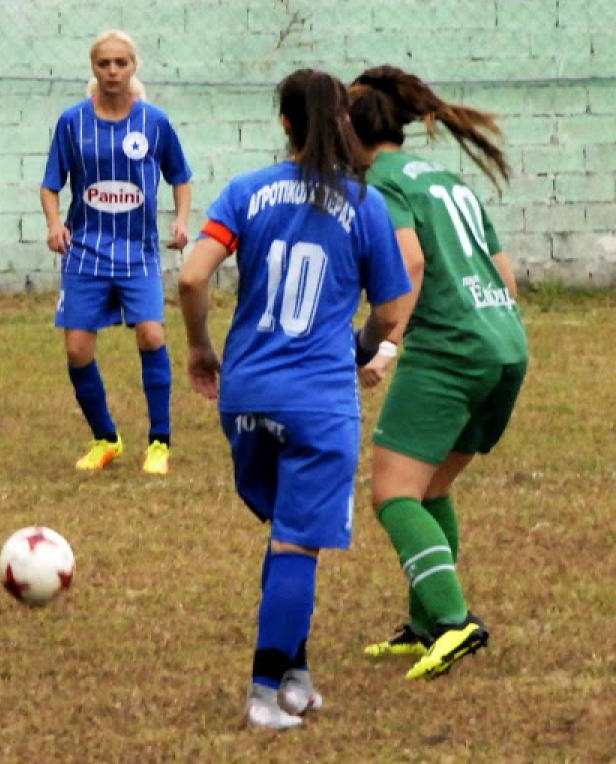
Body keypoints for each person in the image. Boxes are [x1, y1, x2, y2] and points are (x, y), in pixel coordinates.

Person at [179, 69, 411, 729]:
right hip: (317, 400)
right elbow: (392, 309)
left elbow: (193, 276)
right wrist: (363, 345)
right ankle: (262, 694)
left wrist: (199, 347)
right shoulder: (365, 204)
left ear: (284, 123)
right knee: (297, 544)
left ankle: (297, 675)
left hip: (247, 394)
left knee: (288, 534)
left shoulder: (246, 191)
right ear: (344, 122)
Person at [347, 65, 528, 680]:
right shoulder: (448, 179)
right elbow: (504, 274)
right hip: (503, 341)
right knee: (431, 488)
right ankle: (426, 625)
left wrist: (389, 344)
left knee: (393, 494)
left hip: (449, 348)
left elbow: (411, 261)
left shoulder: (380, 183)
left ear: (352, 131)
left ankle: (454, 623)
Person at [40, 29, 192, 475]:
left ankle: (159, 443)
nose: (112, 71)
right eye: (104, 63)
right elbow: (51, 185)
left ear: (133, 67)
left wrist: (182, 219)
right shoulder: (73, 122)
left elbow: (180, 177)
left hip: (137, 252)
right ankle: (106, 438)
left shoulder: (154, 123)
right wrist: (54, 223)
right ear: (94, 68)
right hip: (85, 252)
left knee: (151, 334)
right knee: (77, 351)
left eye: (120, 63)